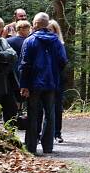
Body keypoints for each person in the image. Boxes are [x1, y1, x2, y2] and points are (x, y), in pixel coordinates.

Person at [19, 12, 68, 154]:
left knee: (33, 114)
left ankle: (31, 147)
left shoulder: (29, 41)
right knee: (50, 113)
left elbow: (24, 64)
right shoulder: (56, 41)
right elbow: (63, 61)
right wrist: (55, 75)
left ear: (35, 24)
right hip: (51, 83)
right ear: (47, 25)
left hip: (34, 83)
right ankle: (48, 147)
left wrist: (24, 85)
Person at [47, 20, 67, 143]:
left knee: (57, 108)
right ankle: (42, 134)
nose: (49, 32)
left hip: (57, 80)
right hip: (43, 80)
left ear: (56, 31)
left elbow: (63, 62)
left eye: (51, 30)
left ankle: (57, 133)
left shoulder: (60, 45)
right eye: (47, 29)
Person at [7, 20, 32, 114]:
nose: (29, 31)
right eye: (27, 29)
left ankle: (15, 116)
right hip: (23, 72)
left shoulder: (7, 41)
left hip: (11, 73)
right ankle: (21, 116)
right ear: (21, 29)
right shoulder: (28, 42)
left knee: (14, 96)